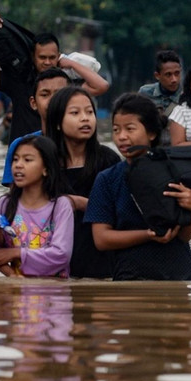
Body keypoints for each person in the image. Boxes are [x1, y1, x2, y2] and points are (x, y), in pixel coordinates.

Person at [85, 93, 191, 281]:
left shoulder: (175, 171)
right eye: (116, 130)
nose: (121, 137)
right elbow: (102, 239)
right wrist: (147, 235)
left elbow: (184, 236)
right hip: (130, 279)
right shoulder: (107, 179)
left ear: (152, 133)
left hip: (179, 277)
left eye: (130, 129)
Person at [0, 14, 110, 142]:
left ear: (58, 56)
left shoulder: (66, 85)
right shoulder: (19, 81)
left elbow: (101, 86)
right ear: (33, 57)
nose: (47, 62)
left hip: (55, 153)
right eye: (42, 57)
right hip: (23, 156)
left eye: (52, 57)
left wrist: (71, 63)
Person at [44, 86, 121, 279]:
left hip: (101, 263)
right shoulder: (44, 163)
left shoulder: (108, 160)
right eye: (75, 113)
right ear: (58, 122)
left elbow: (121, 211)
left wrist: (80, 203)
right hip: (54, 265)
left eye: (89, 112)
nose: (85, 118)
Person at [0, 135, 74, 277]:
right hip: (16, 290)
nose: (18, 165)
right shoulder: (5, 203)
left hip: (53, 292)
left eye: (27, 160)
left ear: (46, 169)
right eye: (15, 159)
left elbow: (61, 255)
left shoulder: (60, 206)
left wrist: (17, 253)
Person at [0, 69, 71, 187]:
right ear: (33, 103)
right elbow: (15, 198)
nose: (52, 100)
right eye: (45, 94)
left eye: (59, 94)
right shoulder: (20, 146)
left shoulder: (81, 144)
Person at [139, 50, 182, 146]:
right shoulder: (145, 93)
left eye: (177, 73)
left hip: (177, 148)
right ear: (157, 75)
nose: (174, 79)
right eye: (168, 75)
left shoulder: (187, 96)